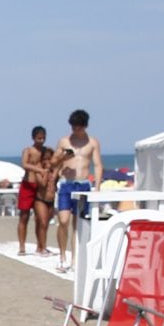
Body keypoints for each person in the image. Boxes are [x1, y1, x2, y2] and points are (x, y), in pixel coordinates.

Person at [53, 109, 104, 273]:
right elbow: (53, 162)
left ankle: (74, 259)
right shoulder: (64, 142)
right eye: (73, 127)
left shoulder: (92, 143)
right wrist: (63, 158)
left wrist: (97, 187)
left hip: (83, 185)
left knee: (78, 224)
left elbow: (97, 164)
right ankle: (62, 256)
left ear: (85, 126)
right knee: (63, 221)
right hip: (66, 184)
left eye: (79, 127)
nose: (76, 130)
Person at [17, 125, 55, 257]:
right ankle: (22, 246)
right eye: (39, 138)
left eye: (43, 138)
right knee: (24, 216)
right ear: (33, 138)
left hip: (41, 187)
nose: (41, 141)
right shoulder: (28, 150)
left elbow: (55, 161)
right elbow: (24, 164)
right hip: (28, 184)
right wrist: (39, 170)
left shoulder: (47, 151)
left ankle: (41, 246)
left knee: (41, 218)